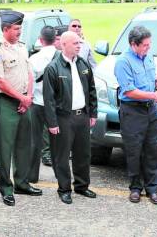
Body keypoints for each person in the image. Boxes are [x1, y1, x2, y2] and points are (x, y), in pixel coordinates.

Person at [43, 31, 97, 204]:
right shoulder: (53, 68)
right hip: (63, 118)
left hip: (82, 116)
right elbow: (49, 99)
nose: (79, 46)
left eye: (80, 43)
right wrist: (52, 123)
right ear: (64, 44)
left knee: (83, 154)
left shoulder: (82, 63)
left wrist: (93, 113)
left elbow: (92, 90)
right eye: (75, 43)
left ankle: (82, 186)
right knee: (62, 156)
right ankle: (64, 189)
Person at [114, 26, 157, 205]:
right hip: (132, 110)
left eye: (149, 44)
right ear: (133, 44)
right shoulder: (123, 62)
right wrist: (154, 95)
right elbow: (129, 91)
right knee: (134, 151)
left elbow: (146, 82)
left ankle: (153, 188)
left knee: (152, 149)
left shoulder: (149, 57)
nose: (148, 48)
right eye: (145, 45)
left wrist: (155, 83)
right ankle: (135, 187)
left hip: (150, 109)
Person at [0, 10, 42, 206]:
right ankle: (6, 188)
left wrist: (28, 97)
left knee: (25, 145)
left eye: (20, 28)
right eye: (16, 29)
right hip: (6, 103)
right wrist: (22, 98)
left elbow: (29, 74)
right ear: (5, 29)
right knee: (5, 148)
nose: (19, 32)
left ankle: (22, 183)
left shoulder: (22, 48)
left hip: (24, 101)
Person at [28, 25, 58, 183]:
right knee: (59, 143)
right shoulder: (60, 58)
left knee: (35, 141)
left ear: (40, 40)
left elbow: (29, 84)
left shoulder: (33, 59)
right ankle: (61, 177)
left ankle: (32, 176)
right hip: (56, 105)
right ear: (56, 39)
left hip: (37, 103)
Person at [40, 25, 68, 167]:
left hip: (59, 97)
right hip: (42, 97)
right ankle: (46, 154)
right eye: (56, 39)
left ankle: (55, 152)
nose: (57, 42)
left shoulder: (63, 57)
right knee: (47, 126)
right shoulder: (45, 56)